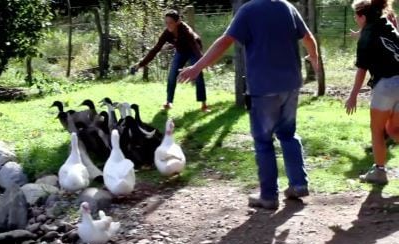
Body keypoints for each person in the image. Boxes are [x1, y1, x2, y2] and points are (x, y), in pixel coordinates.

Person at [179, 0, 319, 209]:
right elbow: (308, 38)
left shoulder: (249, 10)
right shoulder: (287, 7)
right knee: (288, 134)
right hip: (291, 84)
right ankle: (298, 184)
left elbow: (225, 41)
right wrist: (315, 61)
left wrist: (197, 67)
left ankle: (268, 196)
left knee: (263, 141)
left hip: (263, 88)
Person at [345, 0, 399, 185]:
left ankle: (379, 172)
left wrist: (353, 96)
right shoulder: (387, 25)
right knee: (393, 129)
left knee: (377, 130)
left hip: (386, 85)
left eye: (356, 16)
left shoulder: (367, 36)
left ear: (363, 17)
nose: (355, 18)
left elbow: (362, 70)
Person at [133, 10, 209, 112]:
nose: (168, 25)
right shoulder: (166, 33)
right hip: (181, 51)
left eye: (171, 23)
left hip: (193, 50)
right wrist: (141, 64)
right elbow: (155, 49)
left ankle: (203, 104)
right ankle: (169, 102)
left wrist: (202, 62)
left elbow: (195, 48)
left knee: (198, 74)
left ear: (178, 22)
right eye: (166, 23)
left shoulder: (187, 31)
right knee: (172, 74)